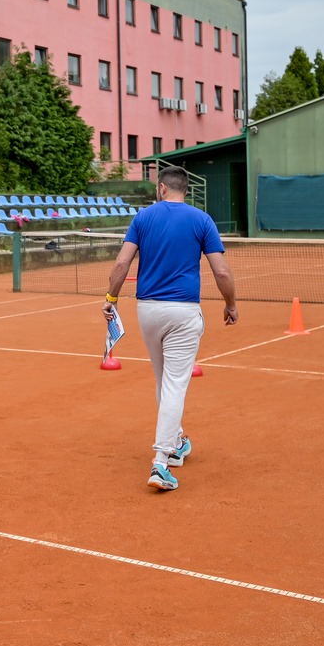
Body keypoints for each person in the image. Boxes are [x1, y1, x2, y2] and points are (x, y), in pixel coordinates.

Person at [102, 165, 237, 492]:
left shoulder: (143, 218)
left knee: (164, 380)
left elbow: (122, 263)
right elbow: (221, 272)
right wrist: (231, 303)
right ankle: (161, 461)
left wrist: (111, 298)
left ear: (161, 188)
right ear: (185, 190)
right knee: (176, 383)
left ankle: (176, 440)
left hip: (147, 311)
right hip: (183, 312)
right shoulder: (201, 220)